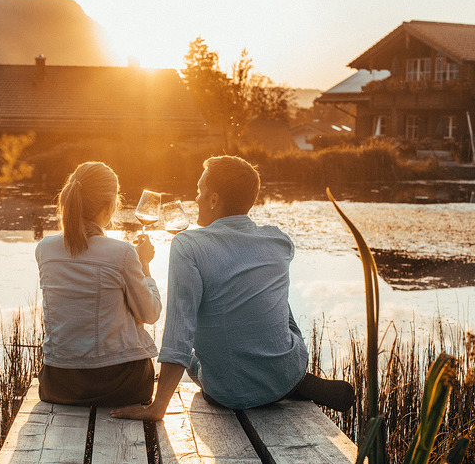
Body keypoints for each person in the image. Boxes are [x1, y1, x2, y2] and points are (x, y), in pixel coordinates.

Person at [112, 156, 354, 420]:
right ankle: (292, 379)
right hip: (286, 371)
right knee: (273, 295)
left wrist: (158, 407)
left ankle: (274, 377)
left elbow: (179, 333)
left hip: (227, 394)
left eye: (199, 191)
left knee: (194, 361)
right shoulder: (280, 241)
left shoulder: (186, 245)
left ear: (214, 199)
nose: (196, 199)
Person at [35, 161, 162, 406]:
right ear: (111, 205)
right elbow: (150, 313)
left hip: (60, 383)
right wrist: (144, 264)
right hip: (121, 384)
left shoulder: (44, 249)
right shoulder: (122, 253)